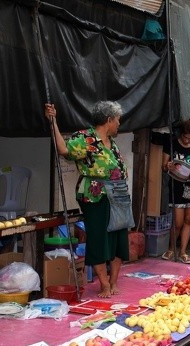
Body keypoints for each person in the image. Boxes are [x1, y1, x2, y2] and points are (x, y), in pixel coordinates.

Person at [44, 101, 129, 298]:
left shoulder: (111, 142)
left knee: (119, 239)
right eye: (117, 120)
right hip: (95, 195)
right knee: (99, 237)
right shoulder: (86, 138)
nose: (119, 124)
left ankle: (114, 281)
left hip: (118, 194)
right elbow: (64, 150)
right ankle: (104, 284)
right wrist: (53, 121)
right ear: (109, 120)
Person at [160, 117, 190, 264]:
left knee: (188, 220)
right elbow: (163, 165)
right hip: (177, 186)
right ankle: (171, 248)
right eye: (185, 137)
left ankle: (183, 252)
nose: (187, 141)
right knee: (178, 222)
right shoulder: (172, 144)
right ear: (181, 134)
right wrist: (168, 166)